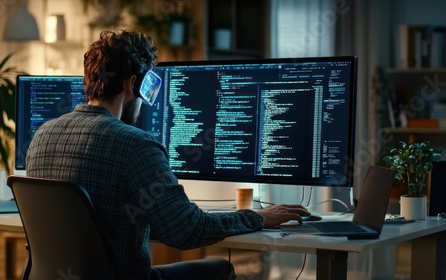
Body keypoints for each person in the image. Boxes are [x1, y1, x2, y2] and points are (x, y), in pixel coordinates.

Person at [26, 30, 310, 280]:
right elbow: (187, 232)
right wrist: (257, 218)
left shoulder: (42, 135)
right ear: (131, 83)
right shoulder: (135, 144)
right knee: (220, 268)